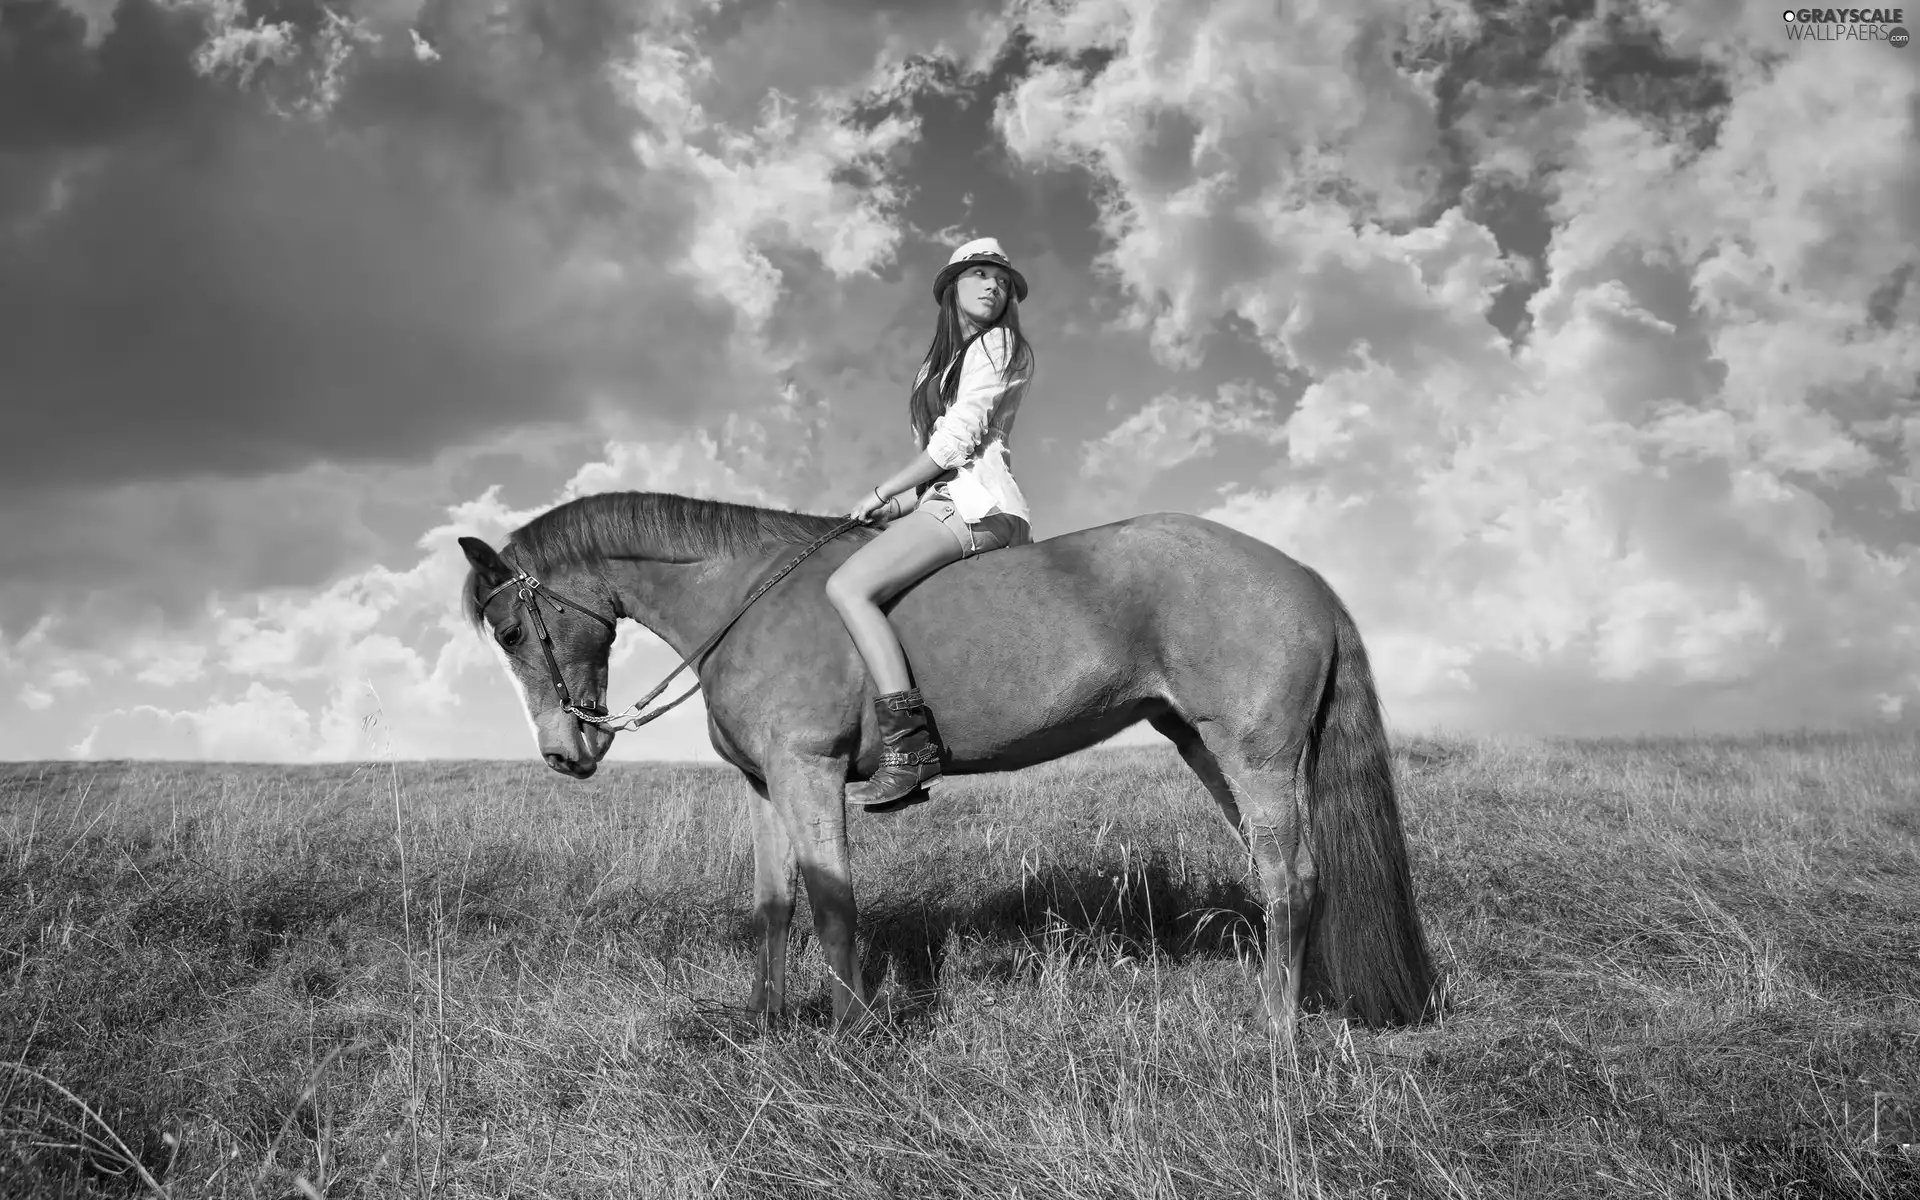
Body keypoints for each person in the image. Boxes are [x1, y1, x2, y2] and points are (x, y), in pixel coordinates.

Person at [825, 237, 1037, 811]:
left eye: (1001, 278)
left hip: (977, 505)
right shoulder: (935, 367)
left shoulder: (999, 343)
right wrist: (881, 507)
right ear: (953, 288)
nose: (993, 286)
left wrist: (883, 488)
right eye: (980, 276)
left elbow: (956, 444)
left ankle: (908, 746)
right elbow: (929, 481)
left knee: (847, 585)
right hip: (944, 501)